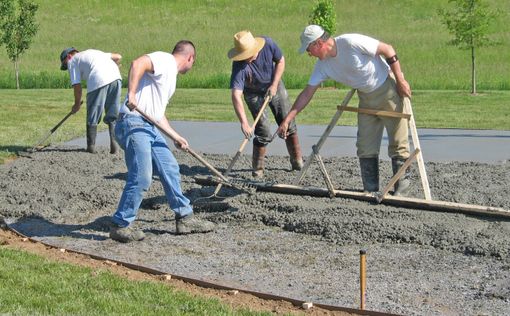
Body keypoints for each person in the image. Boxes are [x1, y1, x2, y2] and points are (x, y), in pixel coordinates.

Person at [277, 25, 413, 196]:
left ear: (319, 43)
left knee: (399, 143)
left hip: (388, 91)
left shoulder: (350, 42)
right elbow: (306, 94)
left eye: (309, 49)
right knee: (365, 145)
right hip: (366, 99)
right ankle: (370, 190)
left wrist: (400, 80)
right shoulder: (322, 66)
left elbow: (388, 49)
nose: (309, 54)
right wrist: (287, 119)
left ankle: (401, 192)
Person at [109, 40, 215, 243]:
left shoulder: (169, 77)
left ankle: (184, 218)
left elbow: (157, 114)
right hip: (133, 122)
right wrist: (131, 93)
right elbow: (137, 63)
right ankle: (120, 224)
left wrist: (174, 136)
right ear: (190, 57)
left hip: (149, 125)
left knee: (170, 168)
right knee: (142, 176)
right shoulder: (165, 60)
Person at [228, 30, 303, 178]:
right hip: (253, 93)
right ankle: (258, 169)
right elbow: (236, 94)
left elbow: (280, 60)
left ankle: (297, 161)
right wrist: (244, 123)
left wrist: (274, 85)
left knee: (287, 121)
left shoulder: (268, 44)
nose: (246, 59)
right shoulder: (239, 66)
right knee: (264, 131)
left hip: (274, 83)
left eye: (248, 54)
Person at [60, 47, 122, 154]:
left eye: (65, 65)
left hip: (98, 79)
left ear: (69, 56)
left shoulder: (72, 61)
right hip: (116, 77)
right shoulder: (94, 52)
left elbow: (77, 87)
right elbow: (118, 56)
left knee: (93, 113)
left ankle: (91, 146)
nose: (67, 67)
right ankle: (115, 146)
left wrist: (76, 104)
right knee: (113, 114)